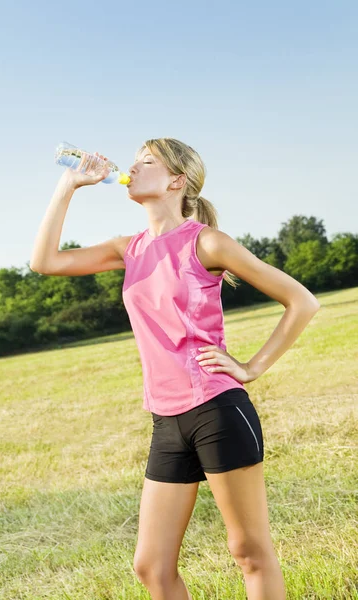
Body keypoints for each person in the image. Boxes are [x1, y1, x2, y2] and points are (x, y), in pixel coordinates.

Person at [30, 138, 320, 600]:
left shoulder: (206, 241)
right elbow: (43, 262)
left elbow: (302, 301)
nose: (132, 167)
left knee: (248, 550)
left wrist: (251, 367)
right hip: (166, 419)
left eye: (147, 161)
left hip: (217, 408)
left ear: (176, 181)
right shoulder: (129, 248)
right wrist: (69, 185)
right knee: (151, 566)